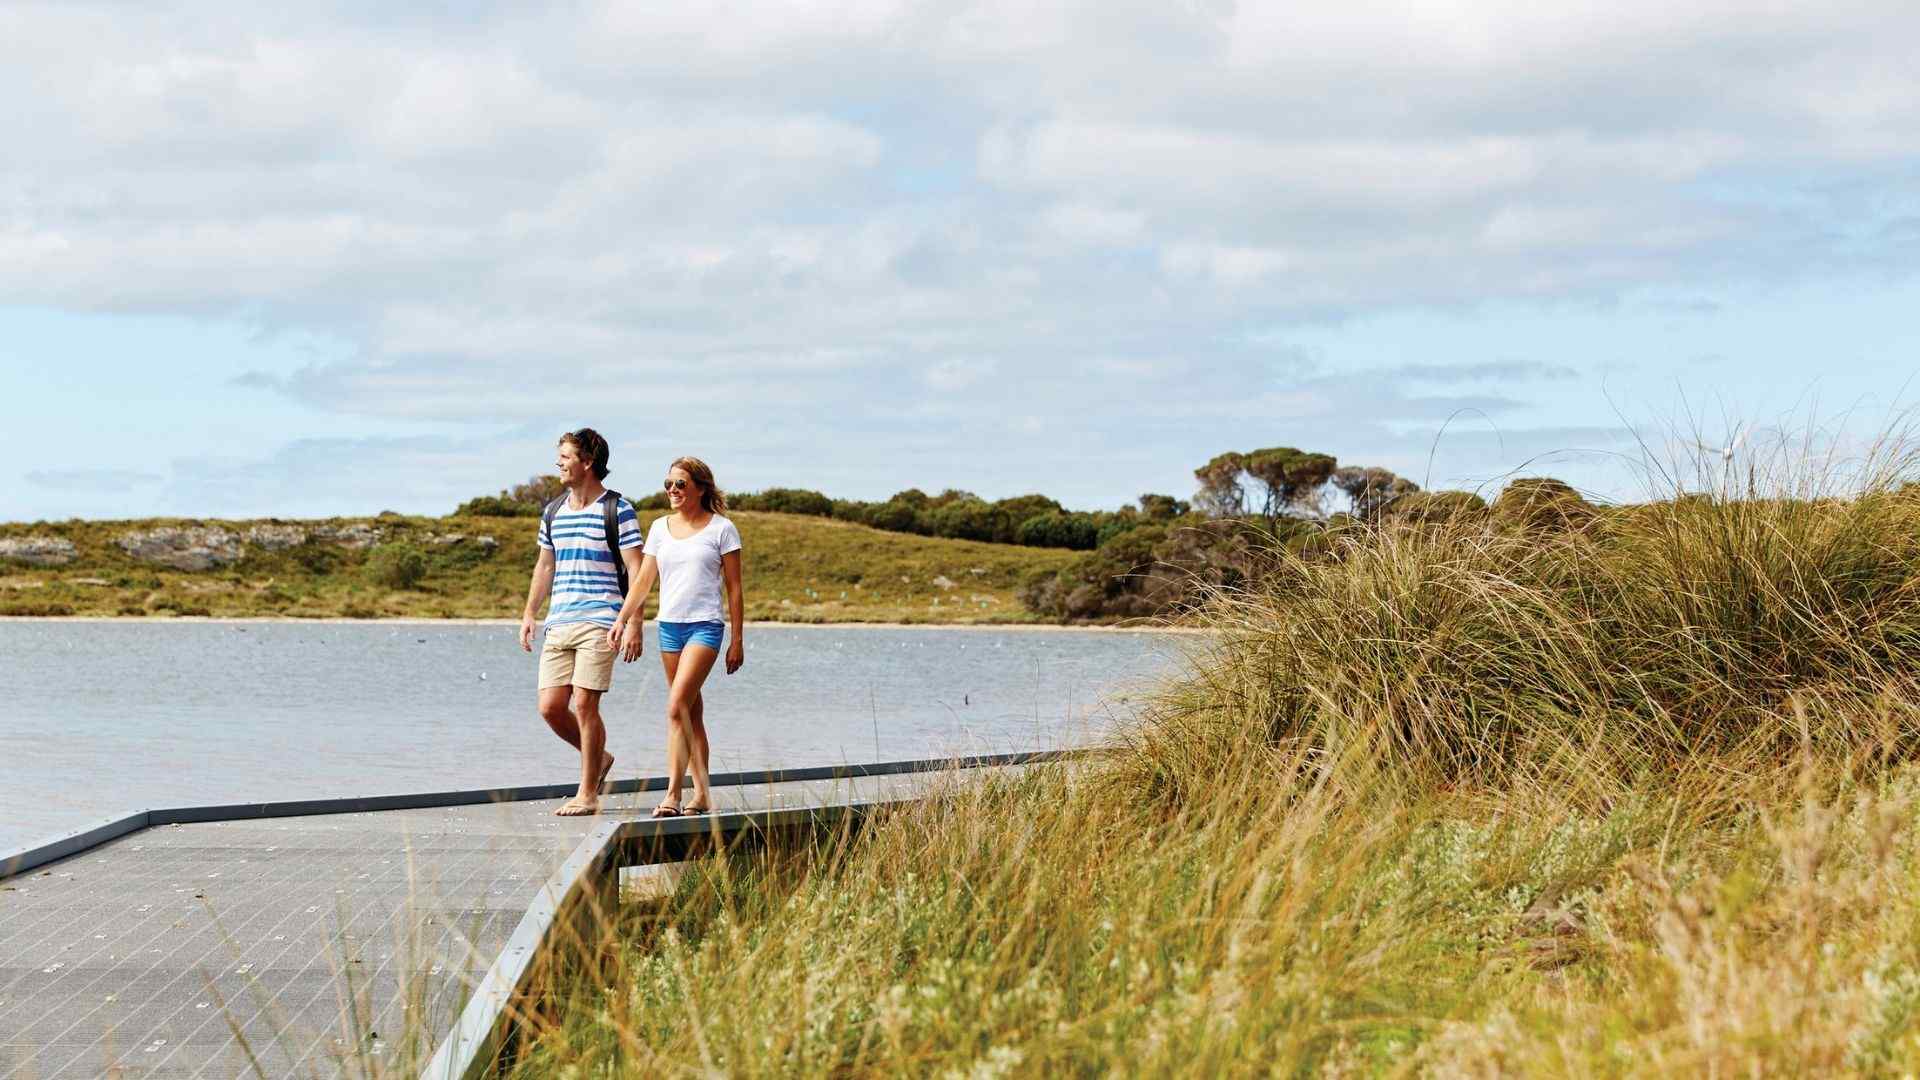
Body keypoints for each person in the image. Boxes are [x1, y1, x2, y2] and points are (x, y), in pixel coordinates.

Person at [518, 428, 645, 816]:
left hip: (602, 620)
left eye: (566, 457)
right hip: (560, 621)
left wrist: (634, 623)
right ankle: (600, 759)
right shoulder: (553, 511)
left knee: (586, 704)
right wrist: (529, 613)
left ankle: (587, 793)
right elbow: (545, 565)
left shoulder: (618, 510)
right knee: (551, 707)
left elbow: (637, 570)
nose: (559, 463)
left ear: (587, 462)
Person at [610, 456, 744, 817]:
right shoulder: (659, 528)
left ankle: (672, 794)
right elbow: (643, 581)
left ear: (700, 487)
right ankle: (701, 795)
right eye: (668, 483)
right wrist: (623, 620)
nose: (672, 490)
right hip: (669, 627)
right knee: (690, 713)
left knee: (675, 707)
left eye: (680, 484)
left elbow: (734, 590)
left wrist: (737, 640)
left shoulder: (722, 529)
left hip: (705, 627)